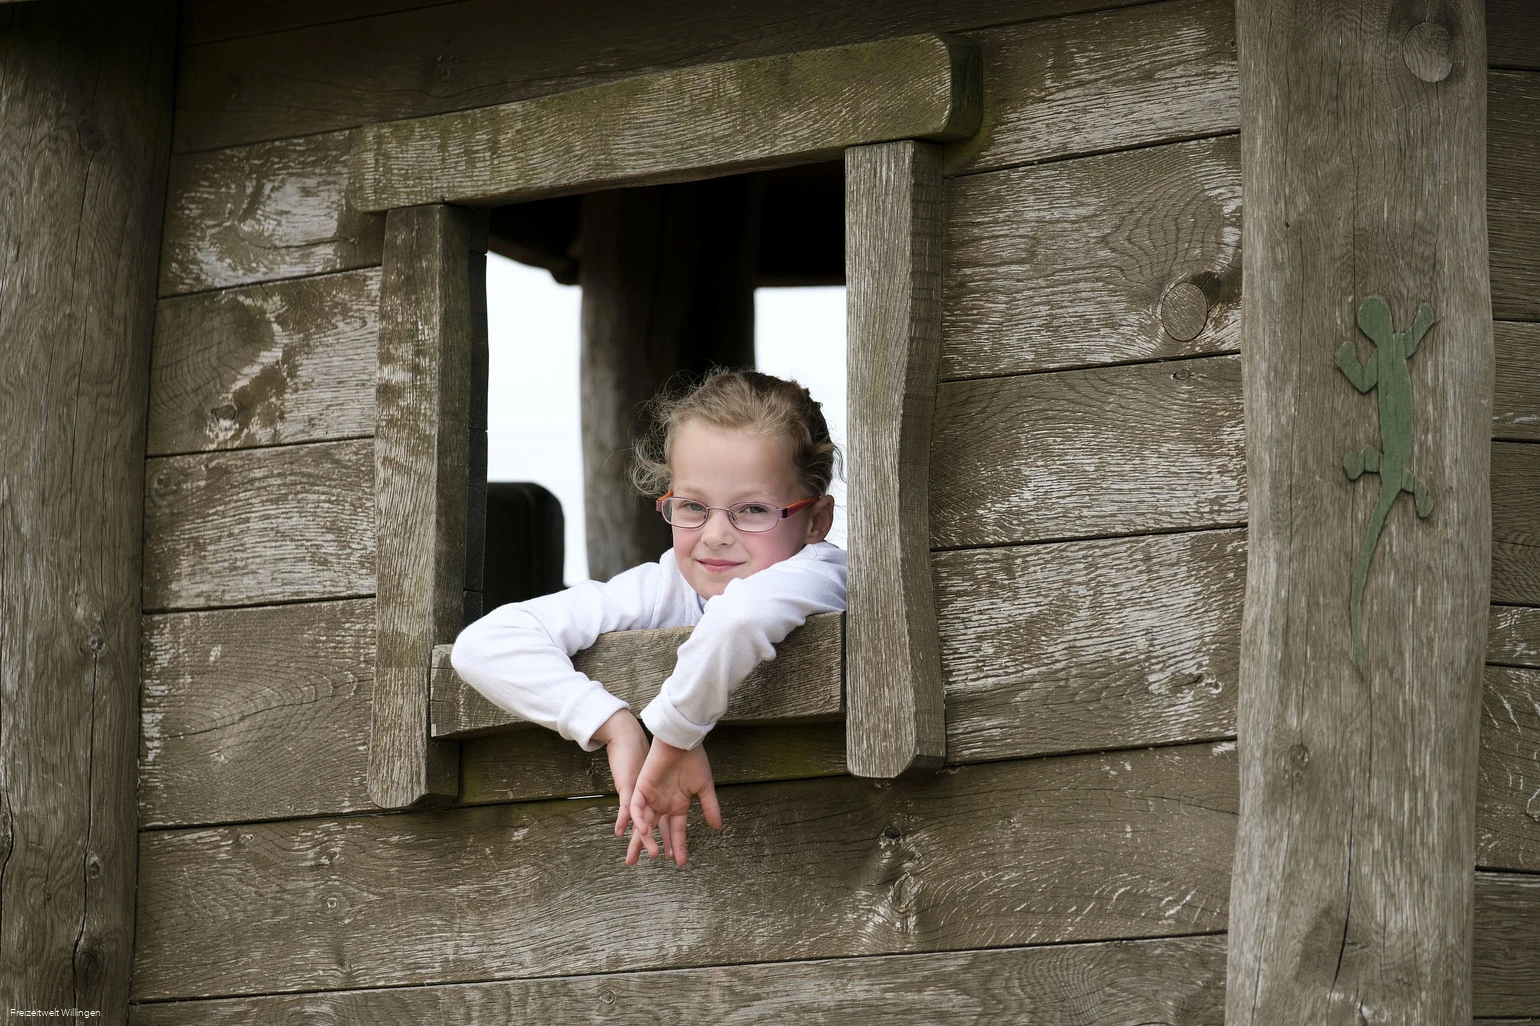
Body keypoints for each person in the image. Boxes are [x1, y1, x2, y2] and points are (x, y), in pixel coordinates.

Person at [449, 369, 847, 867]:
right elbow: (483, 646)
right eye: (692, 506)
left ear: (816, 520)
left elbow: (740, 618)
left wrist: (674, 735)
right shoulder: (662, 585)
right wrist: (612, 723)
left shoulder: (824, 575)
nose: (716, 534)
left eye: (751, 510)